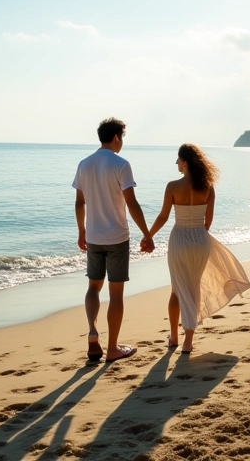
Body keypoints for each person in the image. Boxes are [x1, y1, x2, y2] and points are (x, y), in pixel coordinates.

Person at [143, 143, 250, 354]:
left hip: (179, 239)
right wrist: (198, 234)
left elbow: (163, 216)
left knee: (176, 289)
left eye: (177, 160)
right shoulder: (208, 187)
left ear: (184, 162)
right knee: (193, 287)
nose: (176, 164)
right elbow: (208, 222)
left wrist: (148, 236)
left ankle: (173, 336)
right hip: (200, 239)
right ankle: (188, 341)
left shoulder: (172, 187)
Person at [73, 118, 154, 363]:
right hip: (117, 237)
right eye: (122, 138)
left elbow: (79, 203)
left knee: (93, 287)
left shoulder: (84, 164)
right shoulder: (121, 164)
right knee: (115, 293)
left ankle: (93, 331)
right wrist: (147, 234)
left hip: (94, 236)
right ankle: (112, 349)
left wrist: (81, 232)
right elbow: (132, 203)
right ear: (117, 137)